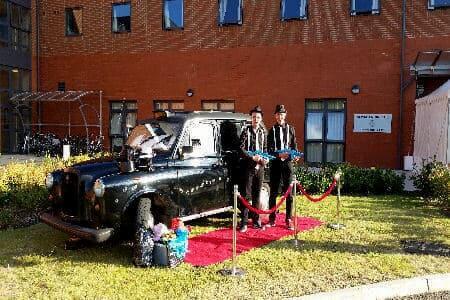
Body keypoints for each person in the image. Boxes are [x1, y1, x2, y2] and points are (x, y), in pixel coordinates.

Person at [267, 104, 298, 230]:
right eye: (278, 114)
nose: (280, 116)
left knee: (288, 192)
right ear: (275, 116)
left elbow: (294, 146)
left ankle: (289, 219)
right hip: (275, 164)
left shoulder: (291, 129)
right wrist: (279, 154)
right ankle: (272, 219)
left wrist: (295, 155)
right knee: (273, 192)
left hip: (287, 164)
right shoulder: (271, 130)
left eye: (282, 114)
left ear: (285, 115)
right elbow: (268, 150)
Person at [239, 105, 267, 233]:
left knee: (257, 195)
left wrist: (265, 159)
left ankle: (256, 221)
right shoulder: (246, 131)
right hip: (248, 167)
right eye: (254, 117)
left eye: (258, 117)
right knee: (246, 195)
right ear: (251, 118)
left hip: (260, 168)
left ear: (261, 119)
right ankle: (244, 222)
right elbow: (241, 149)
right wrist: (252, 157)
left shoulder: (263, 132)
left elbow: (265, 149)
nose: (256, 119)